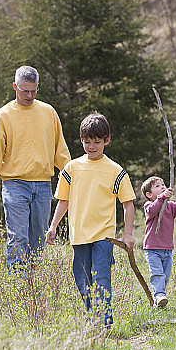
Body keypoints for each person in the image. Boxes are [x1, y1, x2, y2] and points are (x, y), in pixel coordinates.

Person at [46, 112, 135, 328]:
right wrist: (53, 226)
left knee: (101, 278)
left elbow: (128, 204)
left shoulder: (116, 171)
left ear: (107, 141)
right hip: (79, 234)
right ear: (81, 140)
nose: (92, 146)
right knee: (82, 278)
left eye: (97, 142)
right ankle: (91, 315)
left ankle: (103, 323)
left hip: (104, 236)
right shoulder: (72, 168)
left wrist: (128, 234)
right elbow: (63, 200)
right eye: (87, 142)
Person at [0, 66, 71, 274]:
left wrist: (71, 177)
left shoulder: (48, 112)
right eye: (25, 91)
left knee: (38, 239)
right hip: (14, 184)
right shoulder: (3, 116)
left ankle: (34, 286)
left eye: (33, 91)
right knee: (19, 237)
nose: (29, 95)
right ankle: (17, 290)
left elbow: (60, 151)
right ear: (15, 87)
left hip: (44, 185)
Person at [141, 177, 176, 309]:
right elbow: (153, 210)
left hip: (167, 248)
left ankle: (159, 298)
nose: (162, 187)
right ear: (149, 195)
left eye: (163, 184)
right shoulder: (149, 205)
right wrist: (161, 198)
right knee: (157, 273)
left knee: (166, 276)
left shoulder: (170, 206)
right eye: (157, 186)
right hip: (152, 248)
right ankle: (159, 295)